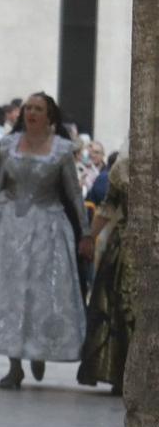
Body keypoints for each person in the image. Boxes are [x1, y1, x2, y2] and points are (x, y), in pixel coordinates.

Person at [0, 92, 92, 388]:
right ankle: (14, 364)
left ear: (50, 116)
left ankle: (38, 349)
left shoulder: (61, 150)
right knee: (11, 292)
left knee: (40, 292)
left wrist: (86, 233)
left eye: (38, 109)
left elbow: (73, 194)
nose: (31, 113)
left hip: (48, 227)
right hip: (9, 226)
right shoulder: (7, 145)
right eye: (28, 108)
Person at [79, 146, 133, 395]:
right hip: (128, 246)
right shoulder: (124, 168)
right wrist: (90, 237)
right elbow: (108, 205)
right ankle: (123, 372)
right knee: (123, 309)